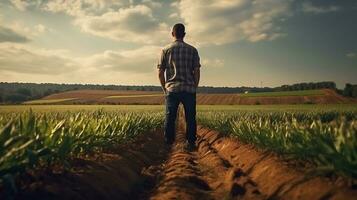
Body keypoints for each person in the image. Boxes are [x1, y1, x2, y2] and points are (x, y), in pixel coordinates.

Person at [157, 23, 201, 151]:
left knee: (170, 117)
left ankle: (169, 144)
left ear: (172, 34)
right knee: (190, 117)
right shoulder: (193, 50)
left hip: (172, 89)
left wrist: (165, 89)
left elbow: (160, 72)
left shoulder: (165, 50)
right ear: (184, 34)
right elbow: (197, 71)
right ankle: (191, 143)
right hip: (189, 89)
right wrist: (194, 86)